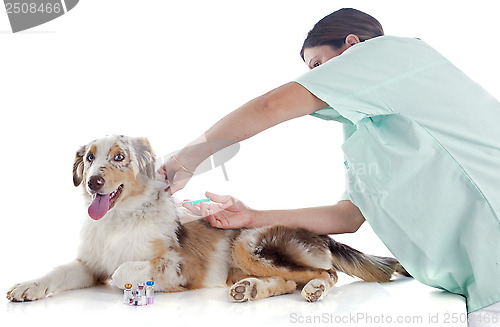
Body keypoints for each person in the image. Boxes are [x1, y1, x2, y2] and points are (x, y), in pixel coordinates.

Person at [161, 8, 500, 325]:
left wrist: (184, 160)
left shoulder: (390, 53)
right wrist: (252, 217)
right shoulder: (369, 131)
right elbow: (348, 217)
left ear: (352, 44)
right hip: (478, 290)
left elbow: (271, 105)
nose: (317, 79)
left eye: (319, 64)